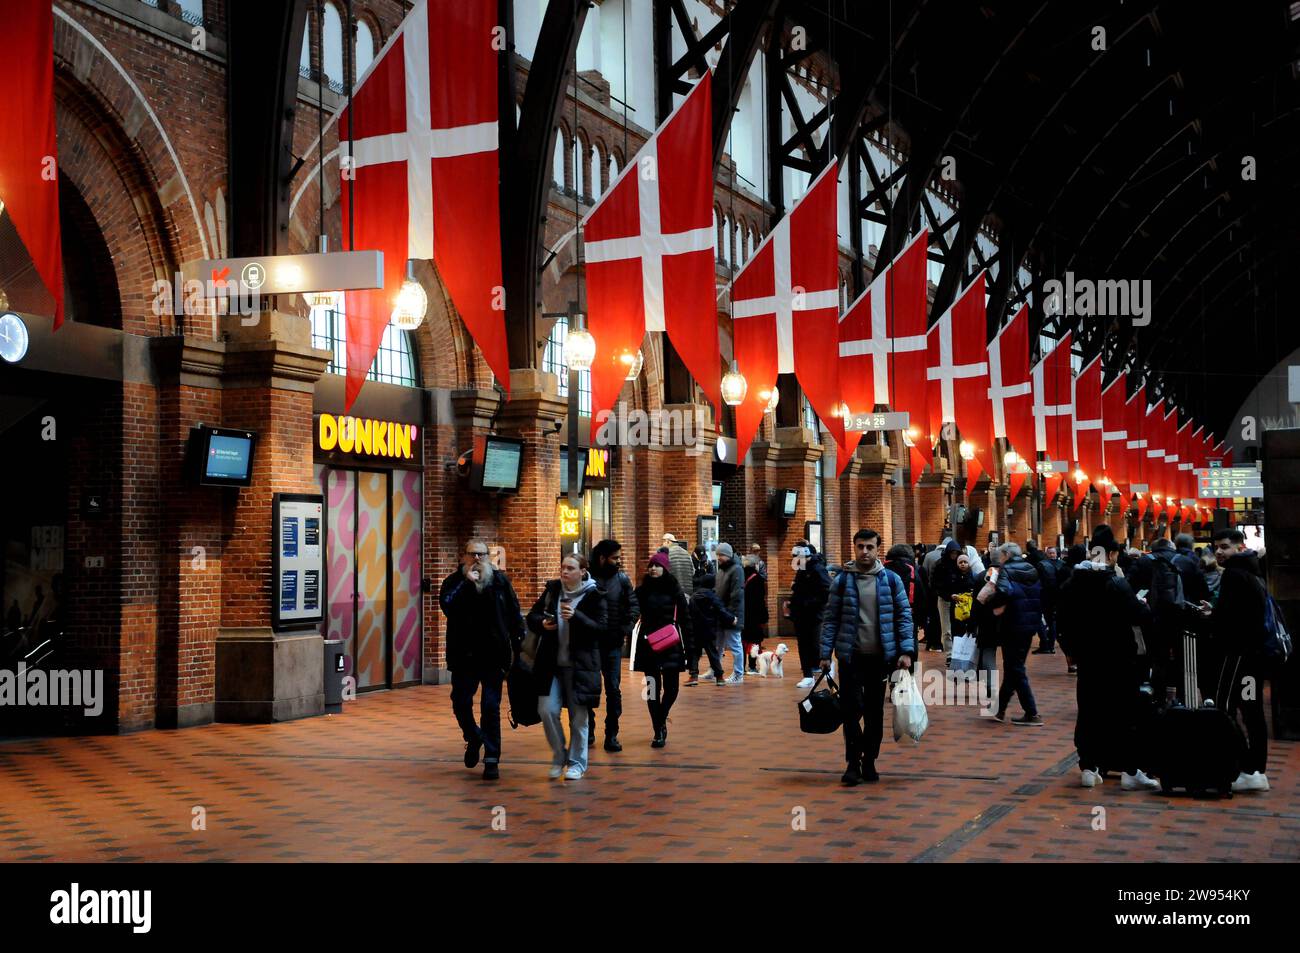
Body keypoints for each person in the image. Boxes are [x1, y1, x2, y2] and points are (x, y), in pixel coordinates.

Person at [1059, 526, 1160, 790]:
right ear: (1112, 554)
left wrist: (1072, 650)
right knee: (1123, 711)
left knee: (1089, 710)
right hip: (1118, 658)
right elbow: (1141, 616)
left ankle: (1089, 767)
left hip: (1088, 658)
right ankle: (1130, 769)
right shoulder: (1115, 583)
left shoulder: (1073, 582)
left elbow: (1062, 620)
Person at [819, 528, 915, 785]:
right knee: (851, 711)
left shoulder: (891, 580)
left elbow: (904, 616)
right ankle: (852, 763)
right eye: (860, 546)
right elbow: (831, 619)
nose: (864, 552)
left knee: (874, 713)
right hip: (851, 657)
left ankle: (869, 759)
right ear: (854, 548)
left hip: (880, 658)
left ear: (877, 549)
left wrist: (906, 651)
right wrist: (825, 653)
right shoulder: (842, 581)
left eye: (869, 547)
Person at [439, 539, 524, 781]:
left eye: (482, 555)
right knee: (460, 702)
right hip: (463, 655)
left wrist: (518, 645)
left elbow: (514, 614)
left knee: (490, 706)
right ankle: (473, 736)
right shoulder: (454, 582)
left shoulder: (499, 581)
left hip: (493, 654)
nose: (477, 559)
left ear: (489, 557)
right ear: (463, 557)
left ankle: (492, 758)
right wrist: (467, 583)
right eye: (472, 554)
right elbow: (447, 606)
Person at [524, 553, 607, 780]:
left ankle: (577, 763)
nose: (565, 571)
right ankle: (559, 755)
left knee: (578, 718)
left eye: (570, 568)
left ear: (582, 571)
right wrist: (542, 623)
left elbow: (601, 629)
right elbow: (532, 616)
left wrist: (577, 616)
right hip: (551, 664)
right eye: (563, 567)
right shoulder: (553, 591)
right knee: (546, 709)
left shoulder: (594, 595)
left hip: (580, 667)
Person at [1203, 529, 1270, 792]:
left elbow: (1229, 620)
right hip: (1254, 657)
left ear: (1239, 548)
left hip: (1238, 657)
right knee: (1252, 710)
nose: (1219, 551)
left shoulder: (1233, 575)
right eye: (1216, 547)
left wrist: (1212, 618)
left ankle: (1244, 765)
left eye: (1225, 547)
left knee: (1225, 707)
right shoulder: (1254, 573)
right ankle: (1256, 770)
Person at [977, 542, 1044, 726]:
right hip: (1029, 624)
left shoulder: (1006, 570)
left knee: (1015, 668)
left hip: (1012, 624)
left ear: (1006, 554)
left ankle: (1032, 713)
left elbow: (1004, 592)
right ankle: (1000, 709)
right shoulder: (1031, 569)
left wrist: (992, 604)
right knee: (1013, 667)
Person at [632, 551, 692, 746]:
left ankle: (661, 716)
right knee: (652, 689)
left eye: (657, 565)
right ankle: (658, 730)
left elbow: (686, 621)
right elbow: (631, 612)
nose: (653, 569)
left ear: (665, 568)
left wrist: (692, 652)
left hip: (671, 645)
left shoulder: (675, 590)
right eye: (650, 566)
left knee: (672, 688)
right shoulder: (641, 591)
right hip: (648, 644)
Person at [588, 539, 640, 753]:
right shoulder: (587, 578)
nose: (618, 561)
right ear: (602, 558)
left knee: (613, 688)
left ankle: (612, 733)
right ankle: (588, 728)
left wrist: (625, 628)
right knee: (589, 688)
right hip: (590, 643)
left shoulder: (622, 579)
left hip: (612, 643)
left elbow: (633, 605)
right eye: (615, 558)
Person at [791, 541, 832, 688]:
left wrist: (810, 602)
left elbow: (827, 590)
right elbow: (799, 589)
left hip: (814, 614)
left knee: (815, 644)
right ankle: (807, 675)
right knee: (803, 644)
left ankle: (825, 667)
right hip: (800, 613)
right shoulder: (801, 570)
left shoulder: (818, 569)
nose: (794, 561)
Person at [884, 544, 928, 660]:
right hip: (910, 613)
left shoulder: (884, 569)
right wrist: (922, 619)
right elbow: (921, 595)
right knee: (910, 638)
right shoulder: (915, 570)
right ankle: (911, 670)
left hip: (886, 613)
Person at [686, 571, 728, 685]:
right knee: (712, 653)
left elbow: (688, 613)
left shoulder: (693, 597)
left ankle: (693, 676)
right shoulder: (713, 597)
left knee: (695, 653)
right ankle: (719, 676)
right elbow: (721, 610)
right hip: (709, 629)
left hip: (695, 629)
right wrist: (731, 618)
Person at [714, 542, 746, 683]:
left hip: (731, 614)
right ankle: (715, 669)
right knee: (718, 645)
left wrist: (732, 615)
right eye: (717, 554)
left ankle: (738, 674)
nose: (718, 557)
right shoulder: (721, 570)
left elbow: (736, 595)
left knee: (735, 645)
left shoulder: (736, 569)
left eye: (721, 555)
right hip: (721, 613)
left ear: (727, 555)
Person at [742, 555, 769, 672]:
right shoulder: (757, 579)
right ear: (755, 565)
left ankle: (740, 667)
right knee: (755, 641)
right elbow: (760, 601)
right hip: (755, 616)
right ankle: (752, 667)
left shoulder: (740, 576)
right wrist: (764, 617)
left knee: (742, 642)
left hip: (743, 614)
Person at [661, 533, 696, 599]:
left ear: (668, 541)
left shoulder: (666, 554)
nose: (662, 545)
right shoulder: (686, 553)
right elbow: (693, 572)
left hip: (672, 592)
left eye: (663, 542)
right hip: (687, 592)